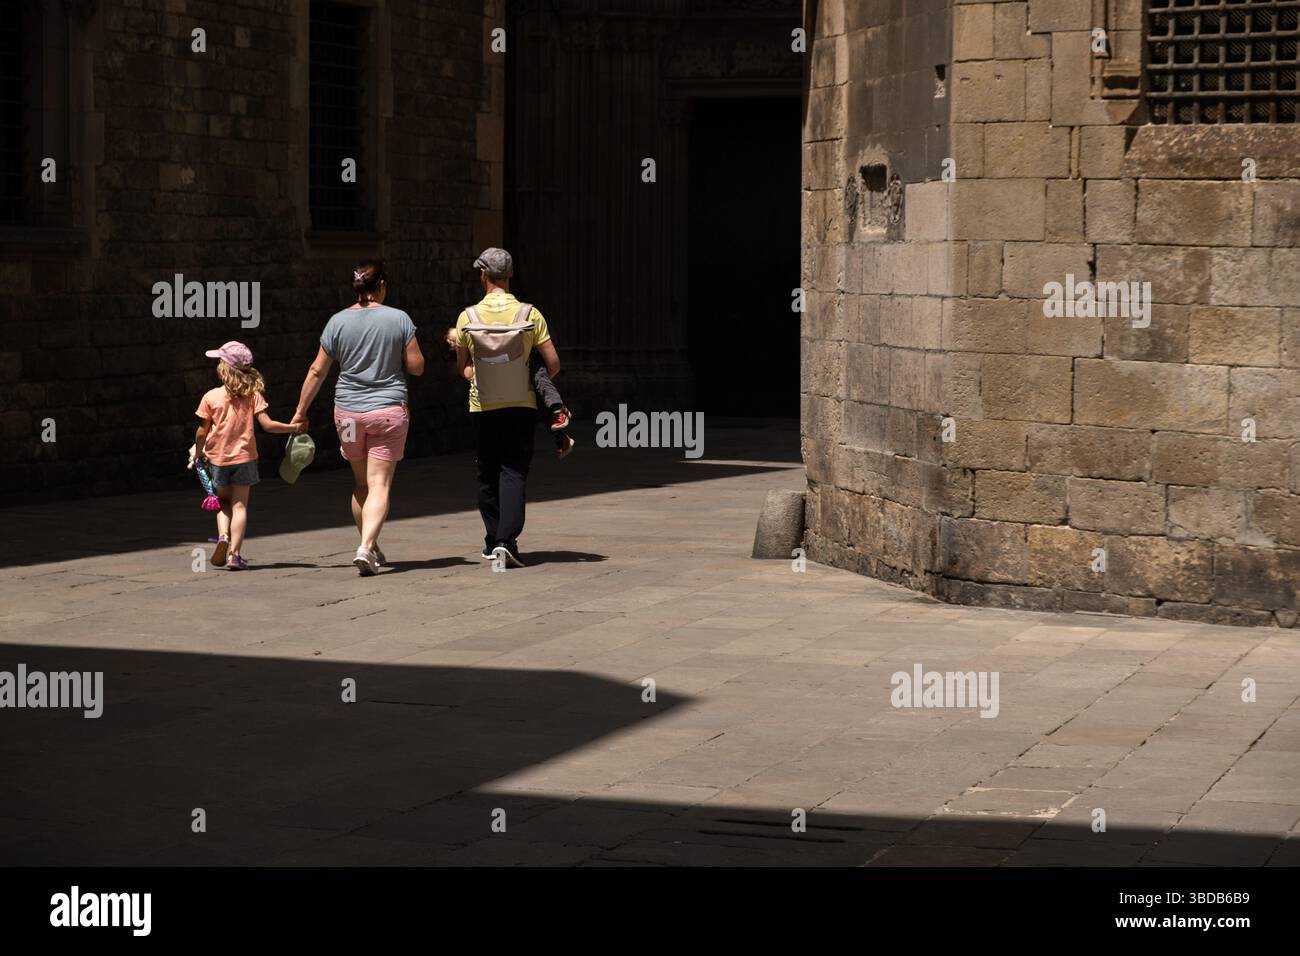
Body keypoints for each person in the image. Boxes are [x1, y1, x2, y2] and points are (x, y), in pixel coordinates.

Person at [290, 261, 425, 575]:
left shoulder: (336, 322)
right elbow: (416, 367)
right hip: (387, 412)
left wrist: (300, 411)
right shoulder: (399, 318)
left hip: (348, 416)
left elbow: (317, 371)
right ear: (382, 285)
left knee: (362, 483)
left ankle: (371, 545)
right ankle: (365, 547)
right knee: (380, 483)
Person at [455, 247, 561, 568]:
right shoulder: (530, 314)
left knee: (487, 471)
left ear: (482, 275)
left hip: (483, 406)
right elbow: (554, 363)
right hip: (521, 404)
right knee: (513, 470)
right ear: (510, 274)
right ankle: (506, 541)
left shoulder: (467, 317)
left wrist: (480, 375)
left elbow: (463, 368)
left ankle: (492, 540)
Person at [193, 341, 300, 570]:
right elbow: (268, 425)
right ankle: (235, 555)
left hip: (218, 459)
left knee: (223, 503)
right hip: (245, 459)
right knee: (240, 505)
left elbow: (202, 431)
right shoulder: (253, 395)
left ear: (223, 368)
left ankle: (223, 536)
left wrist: (198, 452)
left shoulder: (211, 397)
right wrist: (294, 428)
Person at [442, 327, 574, 458]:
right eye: (454, 342)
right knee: (538, 390)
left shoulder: (474, 327)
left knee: (539, 381)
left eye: (454, 338)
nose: (458, 339)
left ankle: (558, 411)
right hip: (508, 385)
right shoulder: (471, 353)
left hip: (526, 357)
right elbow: (469, 373)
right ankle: (560, 434)